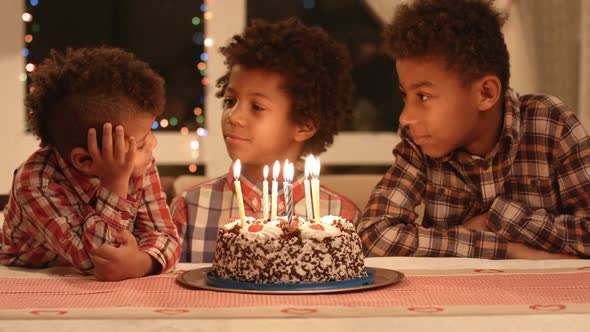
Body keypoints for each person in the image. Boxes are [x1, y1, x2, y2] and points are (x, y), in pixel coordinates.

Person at [357, 0, 589, 259]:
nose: (405, 117)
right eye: (404, 96)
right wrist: (508, 249)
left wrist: (499, 217)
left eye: (423, 96)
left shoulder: (551, 125)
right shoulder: (419, 144)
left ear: (486, 93)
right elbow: (373, 235)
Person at [171, 17, 361, 263]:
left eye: (257, 107)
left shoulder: (341, 217)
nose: (234, 116)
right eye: (230, 101)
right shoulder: (191, 208)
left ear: (305, 124)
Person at [0, 47, 181, 280]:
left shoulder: (137, 164)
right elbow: (94, 259)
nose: (152, 145)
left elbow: (165, 235)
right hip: (21, 276)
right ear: (85, 160)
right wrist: (116, 182)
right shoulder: (34, 183)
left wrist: (142, 263)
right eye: (140, 144)